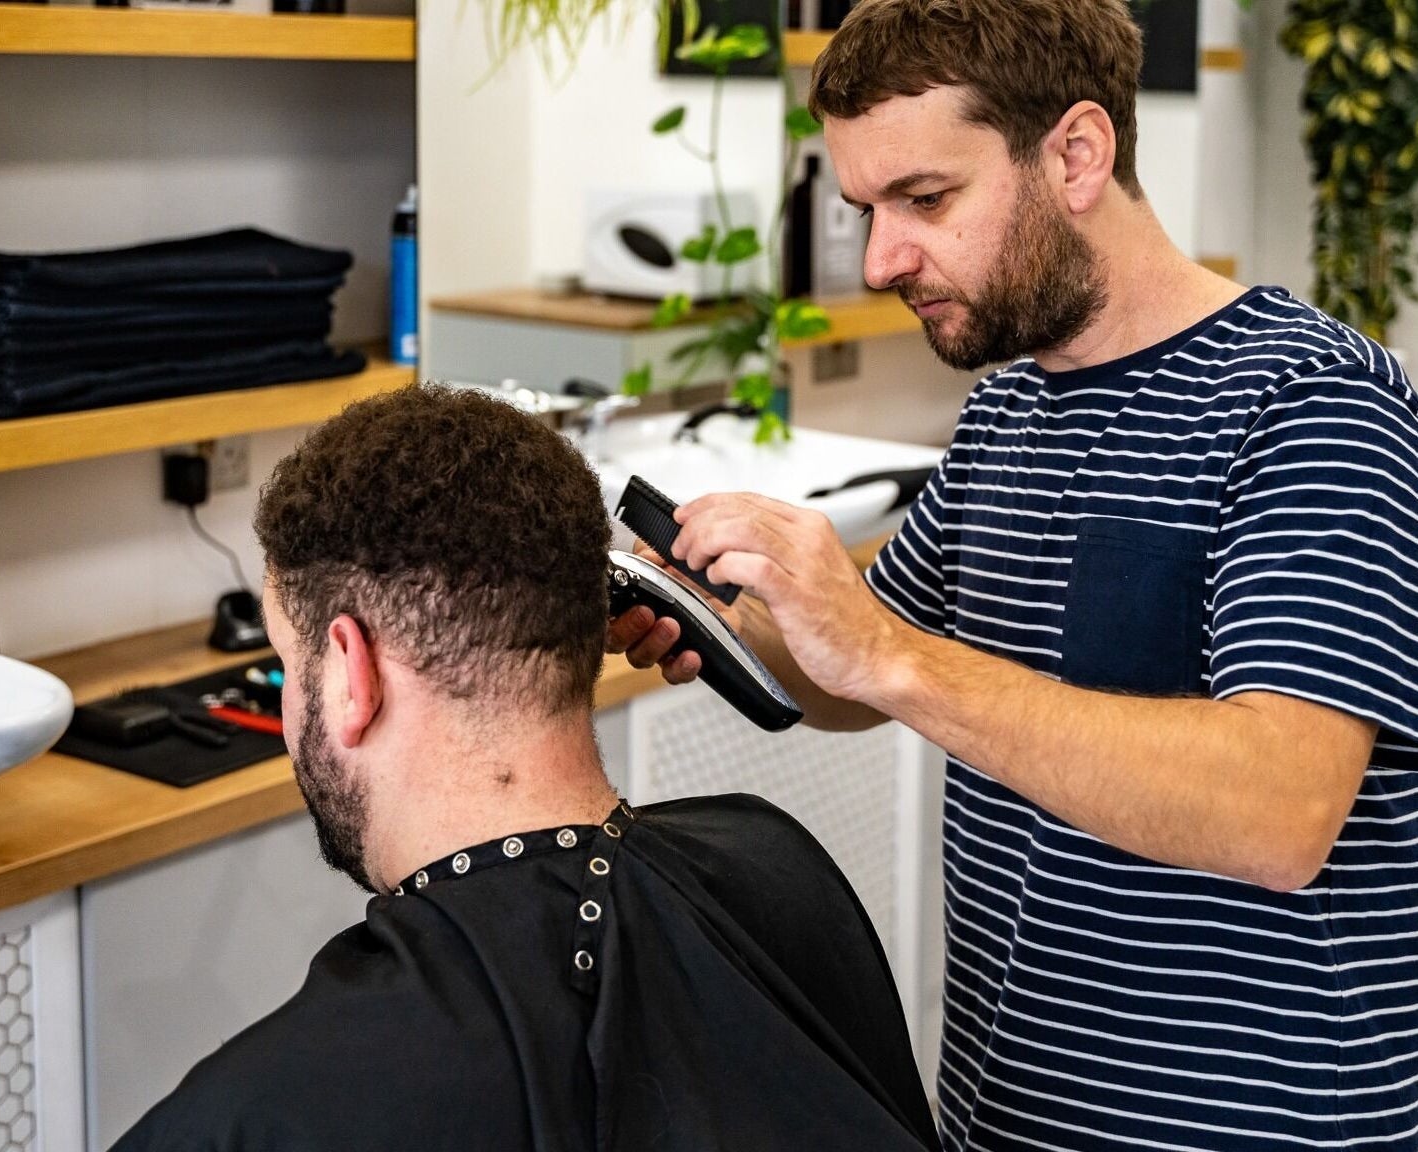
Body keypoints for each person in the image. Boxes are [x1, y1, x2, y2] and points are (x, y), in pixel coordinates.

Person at [609, 1, 1418, 1148]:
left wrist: (888, 650)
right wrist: (724, 615)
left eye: (924, 200)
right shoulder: (1008, 410)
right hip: (1009, 1111)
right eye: (866, 211)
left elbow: (1278, 812)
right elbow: (862, 676)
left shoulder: (1312, 404)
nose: (884, 257)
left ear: (1077, 153)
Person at [110, 383, 939, 1152]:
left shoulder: (257, 1115)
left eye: (293, 667)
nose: (295, 706)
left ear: (351, 673)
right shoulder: (774, 862)